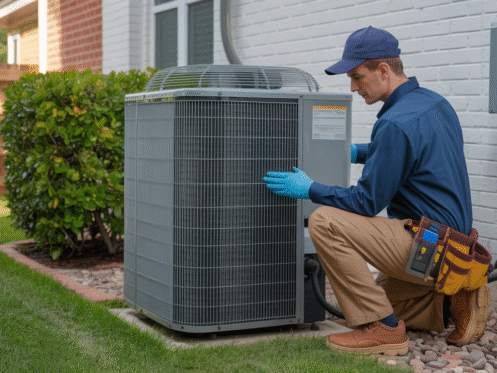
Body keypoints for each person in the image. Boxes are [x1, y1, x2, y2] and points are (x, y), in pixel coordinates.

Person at [263, 26, 490, 356]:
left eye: (357, 76)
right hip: (454, 247)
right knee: (378, 298)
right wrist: (360, 151)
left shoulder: (395, 123)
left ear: (383, 70)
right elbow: (414, 150)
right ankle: (453, 298)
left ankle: (384, 330)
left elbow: (366, 202)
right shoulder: (433, 104)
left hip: (428, 246)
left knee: (325, 221)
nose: (353, 87)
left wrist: (309, 188)